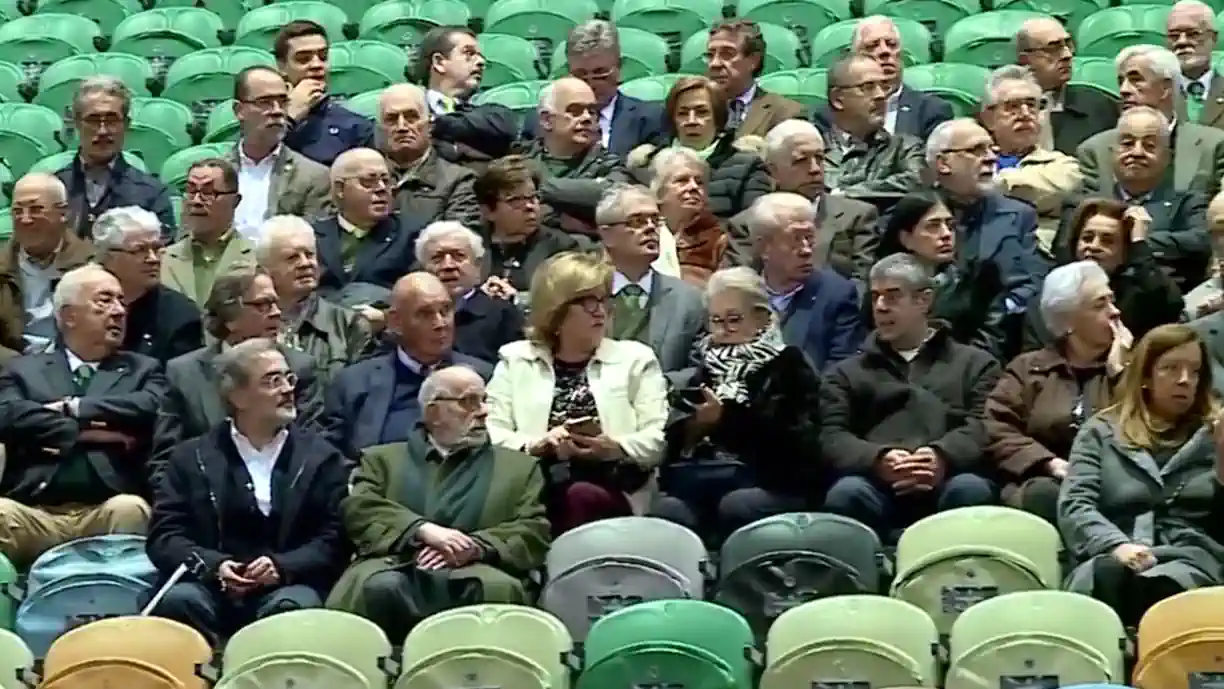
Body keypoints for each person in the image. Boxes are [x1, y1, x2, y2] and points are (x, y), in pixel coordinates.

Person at [146, 338, 348, 645]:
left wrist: (283, 566)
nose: (287, 389)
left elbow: (335, 537)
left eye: (288, 378)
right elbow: (165, 536)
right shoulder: (190, 458)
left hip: (287, 584)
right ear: (238, 396)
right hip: (209, 587)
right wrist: (214, 567)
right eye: (272, 381)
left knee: (294, 608)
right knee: (178, 601)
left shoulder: (321, 457)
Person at [327, 366, 549, 641]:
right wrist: (421, 530)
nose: (483, 412)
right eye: (468, 401)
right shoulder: (381, 460)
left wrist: (475, 547)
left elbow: (533, 529)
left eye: (484, 400)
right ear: (433, 412)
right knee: (378, 585)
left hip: (483, 567)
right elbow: (360, 510)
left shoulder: (520, 467)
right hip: (394, 563)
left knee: (496, 589)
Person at [486, 252, 669, 532]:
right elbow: (492, 433)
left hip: (614, 484)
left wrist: (613, 447)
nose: (600, 310)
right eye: (587, 301)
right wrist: (536, 445)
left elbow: (656, 438)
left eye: (604, 299)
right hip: (534, 483)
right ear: (556, 309)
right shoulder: (516, 359)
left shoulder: (635, 360)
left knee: (578, 494)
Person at [821, 254, 1000, 537]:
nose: (880, 307)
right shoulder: (845, 373)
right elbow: (832, 435)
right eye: (875, 297)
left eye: (893, 296)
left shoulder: (976, 364)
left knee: (971, 489)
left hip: (950, 477)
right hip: (876, 483)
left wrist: (941, 456)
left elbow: (985, 425)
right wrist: (878, 459)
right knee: (846, 493)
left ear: (924, 301)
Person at [1059, 323, 1224, 625]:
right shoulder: (1101, 432)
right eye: (1171, 369)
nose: (1185, 380)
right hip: (1114, 552)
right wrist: (1115, 545)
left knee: (1165, 589)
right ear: (1146, 376)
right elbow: (1075, 505)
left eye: (1195, 371)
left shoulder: (1217, 434)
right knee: (1109, 577)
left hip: (1191, 558)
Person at [0, 265, 164, 565]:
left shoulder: (143, 369)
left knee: (131, 509)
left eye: (120, 301)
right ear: (69, 316)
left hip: (106, 507)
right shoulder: (23, 370)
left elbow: (149, 405)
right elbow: (8, 415)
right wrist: (91, 434)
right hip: (35, 511)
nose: (119, 311)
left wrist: (74, 408)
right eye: (104, 301)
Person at [652, 268, 823, 539]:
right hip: (705, 475)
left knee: (737, 505)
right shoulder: (705, 367)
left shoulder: (789, 364)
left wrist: (727, 419)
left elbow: (799, 446)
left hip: (770, 479)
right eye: (715, 320)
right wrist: (696, 427)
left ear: (761, 318)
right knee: (667, 509)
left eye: (733, 320)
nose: (722, 330)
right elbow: (676, 441)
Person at [986, 261, 1130, 524]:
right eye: (1100, 305)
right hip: (1044, 481)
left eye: (1112, 300)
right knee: (1045, 494)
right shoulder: (1028, 368)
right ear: (1067, 321)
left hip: (1115, 481)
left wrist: (1120, 373)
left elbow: (1147, 424)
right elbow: (997, 426)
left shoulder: (1138, 366)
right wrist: (1048, 462)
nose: (1115, 312)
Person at [154, 273, 325, 467]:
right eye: (263, 305)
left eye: (276, 304)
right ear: (230, 317)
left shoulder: (300, 367)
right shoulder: (183, 373)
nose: (276, 312)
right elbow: (165, 458)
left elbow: (312, 446)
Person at [324, 272, 492, 458]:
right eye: (425, 314)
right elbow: (331, 455)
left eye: (445, 310)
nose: (440, 323)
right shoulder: (354, 383)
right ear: (395, 321)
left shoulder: (484, 377)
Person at [1034, 197, 1183, 349]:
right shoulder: (1053, 296)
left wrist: (1139, 242)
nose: (1094, 246)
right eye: (1087, 238)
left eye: (1107, 241)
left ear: (1126, 252)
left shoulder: (1136, 295)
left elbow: (1169, 304)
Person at [877, 193, 1007, 358]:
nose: (946, 234)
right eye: (933, 226)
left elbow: (991, 339)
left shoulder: (981, 277)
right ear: (906, 238)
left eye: (950, 226)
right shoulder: (882, 282)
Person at [625, 76, 771, 220]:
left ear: (718, 117)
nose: (691, 121)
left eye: (702, 112)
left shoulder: (747, 165)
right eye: (682, 113)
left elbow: (754, 223)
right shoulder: (644, 165)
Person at [56, 77, 176, 238]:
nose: (103, 131)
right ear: (77, 123)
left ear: (126, 124)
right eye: (93, 120)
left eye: (112, 120)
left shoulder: (152, 194)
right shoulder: (54, 189)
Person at [255, 215, 372, 378]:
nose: (305, 263)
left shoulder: (349, 325)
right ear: (265, 269)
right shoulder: (249, 324)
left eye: (310, 254)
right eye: (292, 257)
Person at [230, 66, 332, 239]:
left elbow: (313, 243)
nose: (277, 111)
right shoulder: (214, 173)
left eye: (283, 102)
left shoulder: (313, 177)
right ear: (239, 110)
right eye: (265, 102)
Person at [92, 207, 202, 364]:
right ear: (107, 256)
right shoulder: (80, 301)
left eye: (157, 249)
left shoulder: (180, 316)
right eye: (139, 250)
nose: (153, 259)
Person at [0, 173, 94, 353]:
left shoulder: (90, 267)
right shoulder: (3, 265)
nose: (25, 219)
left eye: (36, 209)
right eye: (17, 211)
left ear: (63, 213)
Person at [414, 221, 525, 364]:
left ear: (477, 266)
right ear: (423, 268)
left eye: (458, 256)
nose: (448, 266)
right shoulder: (409, 314)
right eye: (437, 258)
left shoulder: (503, 314)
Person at [272, 20, 374, 165]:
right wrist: (290, 117)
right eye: (303, 59)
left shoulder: (355, 126)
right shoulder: (262, 119)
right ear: (281, 66)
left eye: (323, 57)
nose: (317, 65)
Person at [161, 159, 256, 306]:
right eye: (191, 191)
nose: (196, 201)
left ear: (235, 201)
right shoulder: (163, 260)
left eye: (209, 192)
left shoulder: (257, 259)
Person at [853, 16, 953, 140]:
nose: (885, 51)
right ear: (855, 58)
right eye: (872, 46)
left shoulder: (931, 111)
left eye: (892, 44)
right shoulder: (835, 113)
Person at [704, 19, 802, 137]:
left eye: (727, 54)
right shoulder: (691, 111)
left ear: (753, 61)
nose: (714, 63)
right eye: (710, 55)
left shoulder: (784, 113)